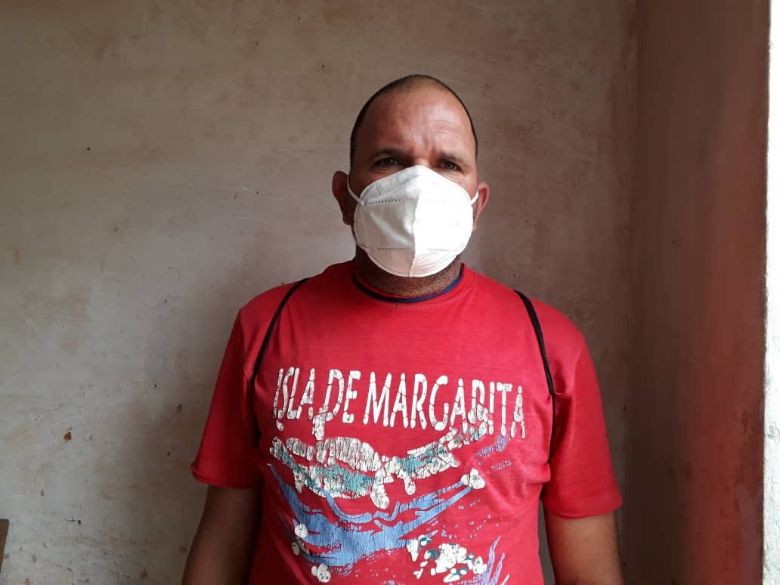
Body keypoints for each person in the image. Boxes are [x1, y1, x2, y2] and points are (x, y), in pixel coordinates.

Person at [182, 74, 623, 585]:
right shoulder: (265, 326)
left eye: (448, 164)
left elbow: (589, 567)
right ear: (345, 196)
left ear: (476, 205)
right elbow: (223, 543)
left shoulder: (551, 346)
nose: (419, 185)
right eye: (389, 160)